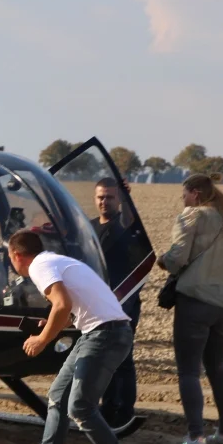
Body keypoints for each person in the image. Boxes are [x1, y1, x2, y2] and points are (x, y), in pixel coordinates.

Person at [4, 230, 136, 444]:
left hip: (104, 334)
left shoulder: (40, 266)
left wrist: (42, 339)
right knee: (58, 396)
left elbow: (62, 304)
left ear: (17, 256)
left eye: (10, 258)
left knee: (80, 406)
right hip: (103, 332)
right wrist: (53, 324)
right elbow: (67, 310)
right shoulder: (55, 260)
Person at [157, 172, 223, 444]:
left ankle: (195, 437)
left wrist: (163, 260)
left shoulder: (192, 216)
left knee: (189, 372)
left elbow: (177, 258)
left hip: (195, 302)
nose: (182, 201)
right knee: (217, 368)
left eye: (184, 195)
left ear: (195, 193)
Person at [89, 177, 141, 428]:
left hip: (123, 301)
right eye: (100, 197)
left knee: (121, 358)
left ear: (118, 200)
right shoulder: (87, 228)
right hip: (93, 304)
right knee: (100, 358)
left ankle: (122, 410)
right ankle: (102, 406)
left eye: (110, 197)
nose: (104, 202)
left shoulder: (124, 225)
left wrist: (128, 200)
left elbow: (130, 222)